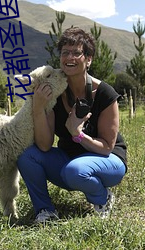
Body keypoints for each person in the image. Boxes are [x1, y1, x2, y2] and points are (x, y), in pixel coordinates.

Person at [17, 27, 127, 223]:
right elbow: (43, 145)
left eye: (76, 53)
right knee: (27, 156)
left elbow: (107, 147)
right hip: (70, 161)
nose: (70, 57)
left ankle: (103, 198)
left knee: (75, 171)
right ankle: (45, 211)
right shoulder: (55, 92)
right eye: (65, 52)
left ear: (89, 59)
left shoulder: (104, 94)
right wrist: (38, 107)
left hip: (108, 161)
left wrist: (77, 134)